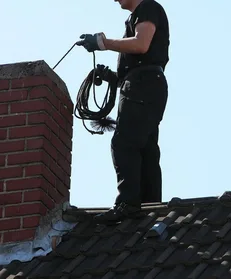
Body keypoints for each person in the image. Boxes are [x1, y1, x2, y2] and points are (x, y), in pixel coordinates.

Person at [76, 0, 170, 223]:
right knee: (145, 147)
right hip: (145, 84)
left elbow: (141, 44)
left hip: (143, 85)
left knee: (124, 143)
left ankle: (129, 203)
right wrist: (113, 77)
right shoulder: (139, 14)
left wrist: (103, 43)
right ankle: (149, 206)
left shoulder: (147, 7)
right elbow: (141, 56)